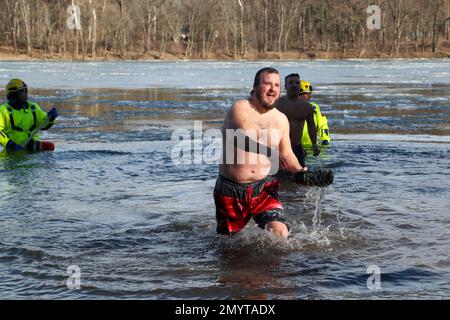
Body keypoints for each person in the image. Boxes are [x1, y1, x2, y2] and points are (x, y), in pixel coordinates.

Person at [214, 67, 307, 239]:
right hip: (231, 189)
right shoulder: (240, 108)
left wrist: (304, 173)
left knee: (279, 232)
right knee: (228, 245)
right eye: (267, 84)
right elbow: (239, 139)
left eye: (277, 85)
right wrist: (270, 152)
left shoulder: (280, 119)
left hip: (264, 188)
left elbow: (286, 155)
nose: (273, 89)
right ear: (255, 87)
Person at [0, 79, 58, 152]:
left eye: (25, 91)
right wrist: (10, 144)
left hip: (32, 147)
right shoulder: (3, 111)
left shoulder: (33, 108)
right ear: (13, 95)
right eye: (22, 92)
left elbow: (44, 124)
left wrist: (50, 118)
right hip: (13, 150)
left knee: (50, 147)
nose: (25, 94)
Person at [277, 73, 320, 167]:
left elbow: (311, 126)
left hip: (297, 147)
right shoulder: (277, 104)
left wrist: (314, 144)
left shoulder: (307, 106)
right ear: (285, 86)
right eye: (291, 83)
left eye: (297, 82)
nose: (294, 85)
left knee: (300, 175)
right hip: (279, 148)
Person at [300, 80, 330, 148]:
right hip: (295, 148)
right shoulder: (288, 108)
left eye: (310, 93)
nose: (309, 96)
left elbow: (322, 125)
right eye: (307, 93)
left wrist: (325, 139)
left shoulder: (315, 108)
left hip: (312, 146)